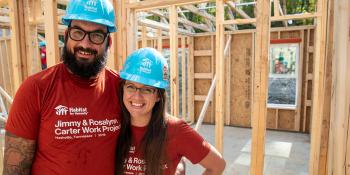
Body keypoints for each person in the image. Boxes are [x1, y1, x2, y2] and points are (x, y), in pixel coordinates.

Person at [3, 0, 122, 174]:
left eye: (96, 35)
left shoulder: (121, 89)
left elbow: (154, 123)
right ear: (66, 35)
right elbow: (14, 169)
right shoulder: (36, 89)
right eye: (78, 32)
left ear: (108, 42)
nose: (85, 44)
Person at [115, 48, 226, 175]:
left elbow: (217, 165)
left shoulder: (176, 130)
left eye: (147, 89)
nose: (137, 96)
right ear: (122, 89)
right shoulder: (114, 127)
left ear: (158, 96)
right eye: (130, 87)